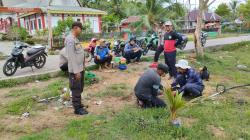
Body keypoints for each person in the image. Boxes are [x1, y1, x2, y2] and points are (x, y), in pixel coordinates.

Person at [65, 22, 88, 115]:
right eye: (80, 29)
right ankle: (77, 109)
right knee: (76, 89)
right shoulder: (70, 40)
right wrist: (76, 71)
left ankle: (79, 104)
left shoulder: (75, 39)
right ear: (75, 28)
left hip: (80, 68)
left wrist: (83, 66)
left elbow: (79, 53)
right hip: (75, 70)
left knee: (80, 87)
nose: (81, 31)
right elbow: (71, 57)